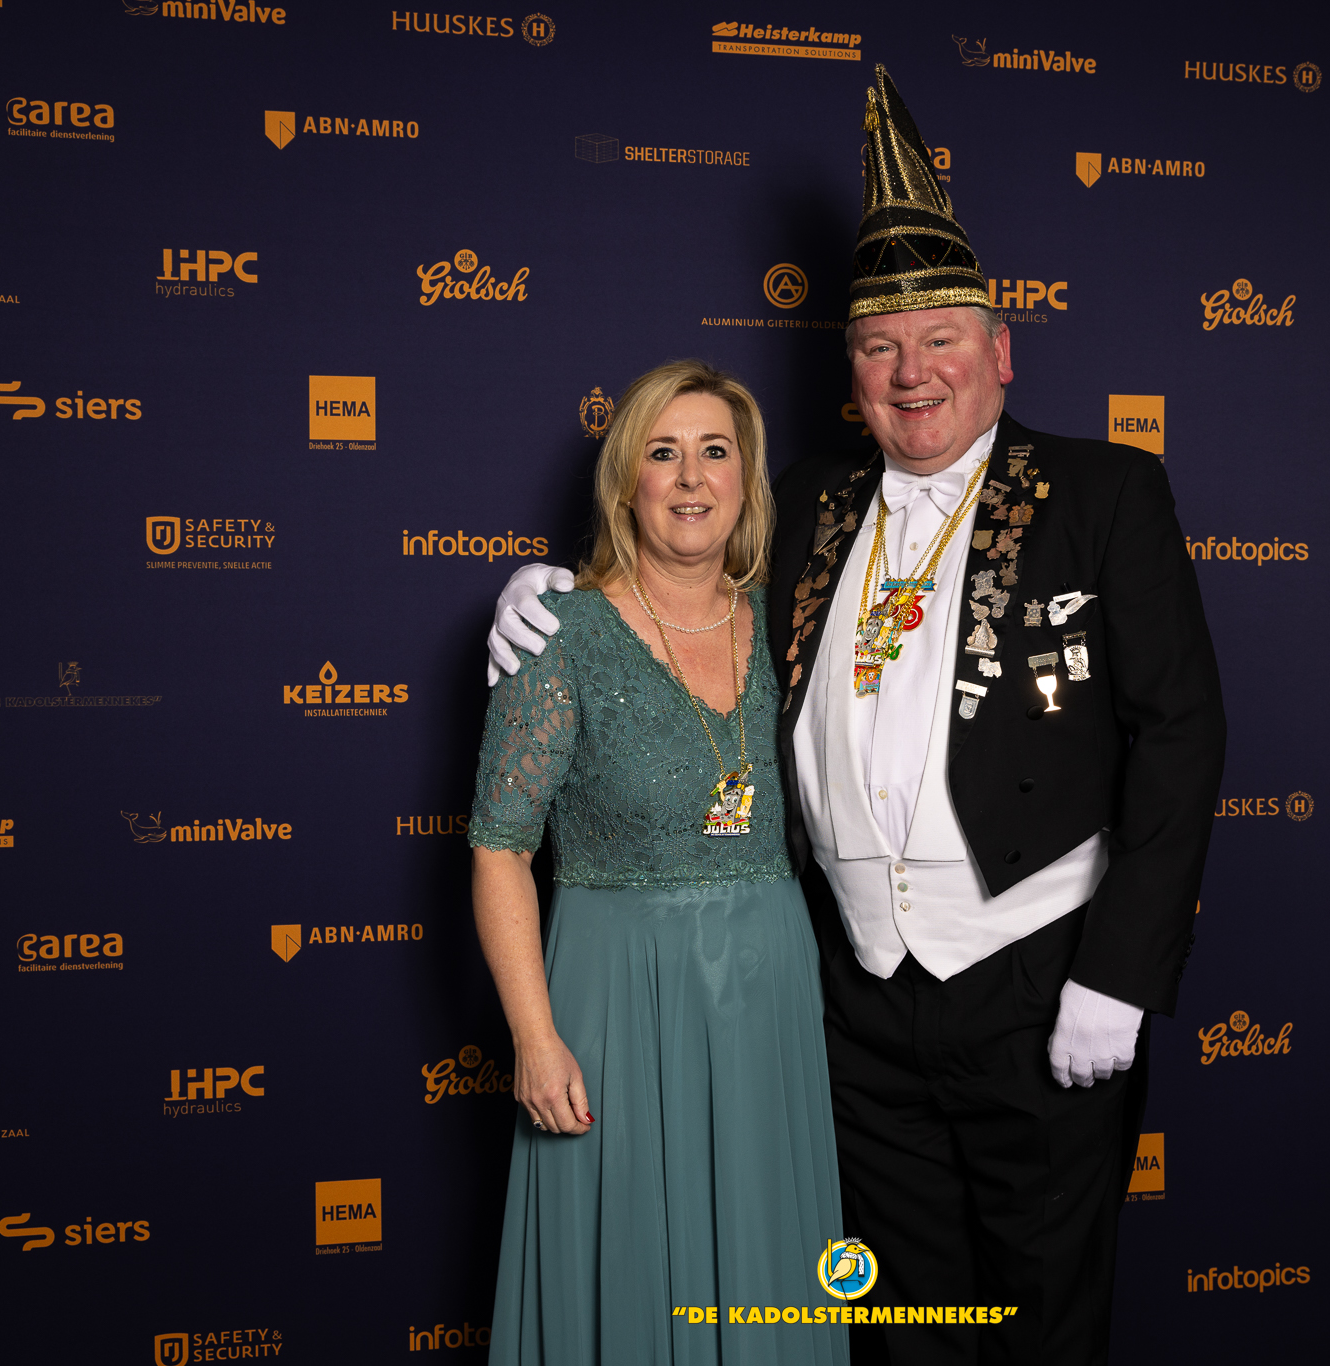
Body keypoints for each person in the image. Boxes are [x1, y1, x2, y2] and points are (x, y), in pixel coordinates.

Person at [487, 69, 1225, 1364]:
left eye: (941, 339)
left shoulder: (1104, 492)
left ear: (1000, 350)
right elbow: (680, 579)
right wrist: (550, 589)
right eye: (881, 348)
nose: (911, 371)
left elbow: (1180, 733)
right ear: (851, 372)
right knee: (903, 1323)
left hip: (1036, 980)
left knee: (1042, 1317)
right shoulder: (809, 504)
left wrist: (1119, 972)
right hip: (850, 1006)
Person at [468, 360, 846, 1365]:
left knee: (765, 1250)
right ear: (624, 481)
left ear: (745, 477)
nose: (689, 478)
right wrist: (534, 1039)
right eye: (662, 452)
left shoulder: (789, 619)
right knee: (630, 1258)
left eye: (714, 451)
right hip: (615, 996)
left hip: (769, 993)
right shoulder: (560, 636)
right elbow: (500, 849)